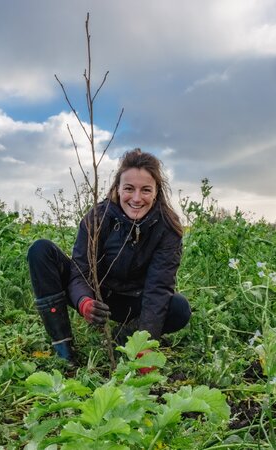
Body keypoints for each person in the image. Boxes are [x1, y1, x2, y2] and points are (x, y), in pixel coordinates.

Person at [27, 148, 191, 363]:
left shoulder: (167, 228)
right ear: (117, 188)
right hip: (94, 294)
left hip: (131, 300)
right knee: (40, 250)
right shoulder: (97, 217)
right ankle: (64, 350)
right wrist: (85, 302)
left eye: (146, 190)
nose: (136, 198)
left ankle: (122, 340)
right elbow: (80, 271)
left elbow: (158, 289)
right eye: (129, 189)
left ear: (156, 192)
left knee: (179, 308)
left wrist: (145, 344)